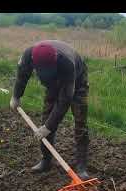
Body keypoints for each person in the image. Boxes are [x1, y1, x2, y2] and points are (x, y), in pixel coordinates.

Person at [10, 40, 90, 180]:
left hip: (77, 80)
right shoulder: (28, 56)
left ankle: (81, 166)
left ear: (56, 60)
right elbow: (22, 76)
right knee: (46, 117)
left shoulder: (66, 63)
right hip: (53, 84)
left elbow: (65, 99)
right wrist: (16, 96)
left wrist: (48, 127)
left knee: (80, 120)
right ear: (35, 63)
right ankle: (46, 160)